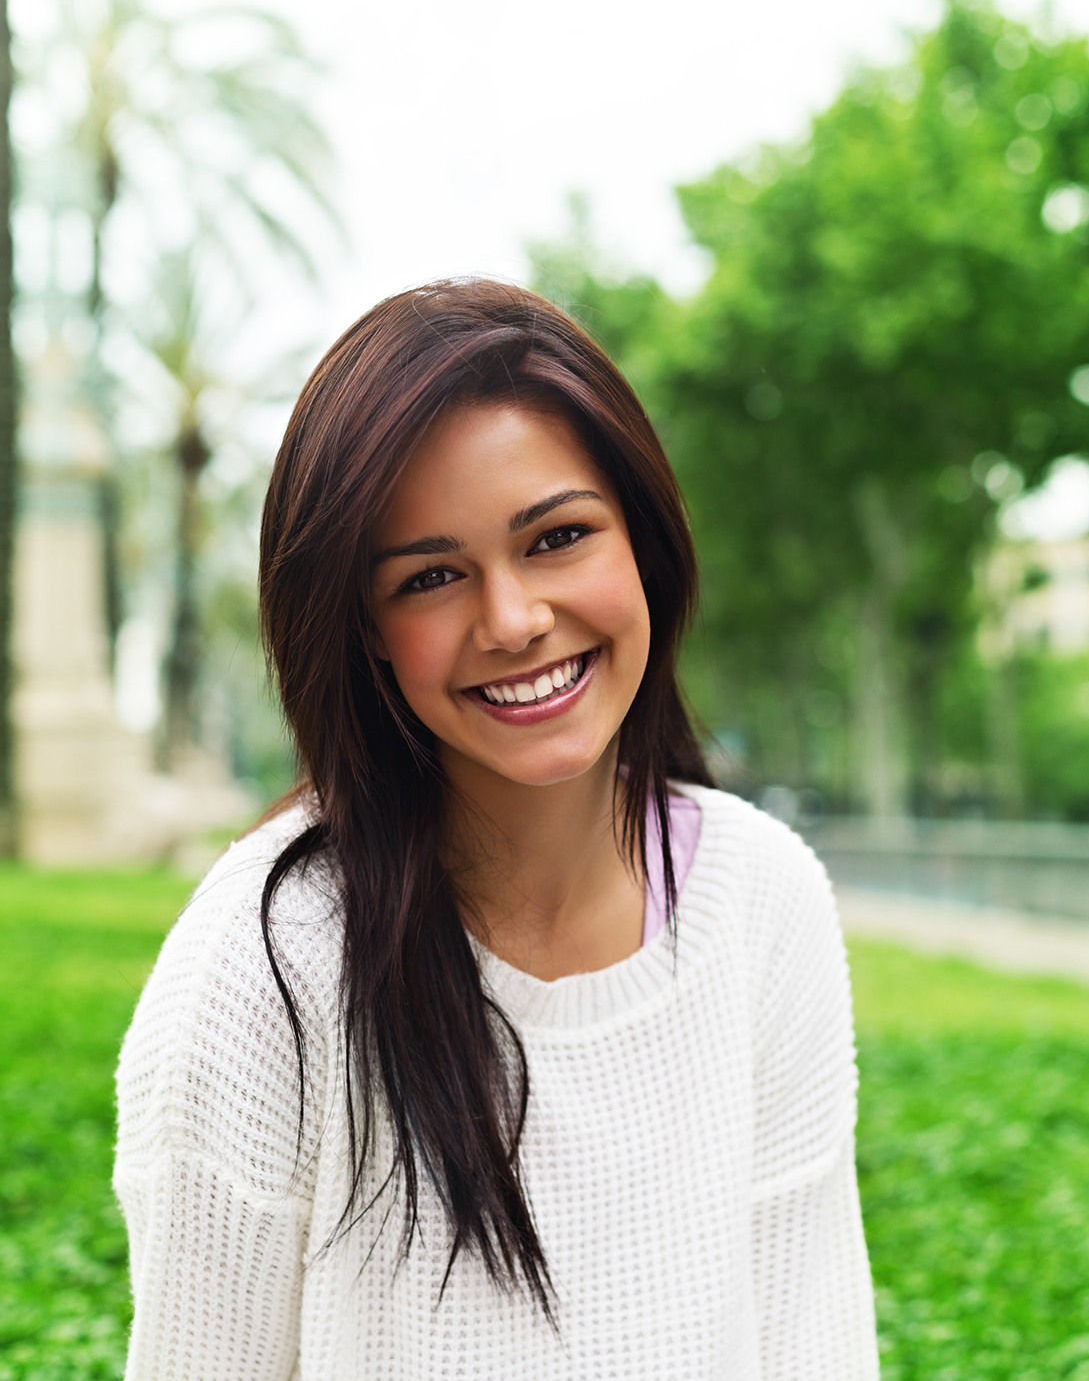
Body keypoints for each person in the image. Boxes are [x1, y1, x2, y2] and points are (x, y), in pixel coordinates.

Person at [114, 278, 879, 1379]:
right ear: (366, 630)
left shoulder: (763, 894)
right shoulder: (265, 957)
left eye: (558, 537)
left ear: (643, 547)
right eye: (430, 576)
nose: (513, 619)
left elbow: (814, 1339)